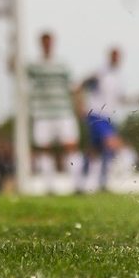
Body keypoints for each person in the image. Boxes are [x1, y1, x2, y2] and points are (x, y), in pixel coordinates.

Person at [26, 31, 80, 193]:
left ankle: (77, 185)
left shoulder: (62, 65)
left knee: (70, 146)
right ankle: (49, 187)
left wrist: (79, 105)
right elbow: (16, 72)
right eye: (44, 42)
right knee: (44, 148)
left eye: (49, 42)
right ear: (40, 44)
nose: (47, 45)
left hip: (63, 112)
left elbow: (73, 87)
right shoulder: (33, 66)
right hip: (42, 114)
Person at [79, 46, 129, 192]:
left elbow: (120, 98)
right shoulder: (100, 73)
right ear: (109, 57)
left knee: (95, 150)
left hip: (108, 116)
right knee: (112, 143)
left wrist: (136, 100)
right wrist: (79, 104)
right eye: (114, 56)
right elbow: (81, 85)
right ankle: (102, 181)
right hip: (96, 114)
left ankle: (83, 181)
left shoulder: (118, 77)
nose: (116, 59)